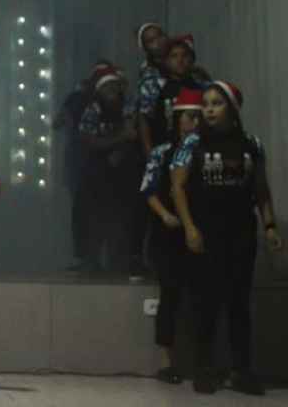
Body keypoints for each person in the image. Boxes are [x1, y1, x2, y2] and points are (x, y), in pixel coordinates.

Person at [170, 81, 284, 395]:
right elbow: (177, 187)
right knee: (205, 302)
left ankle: (242, 371)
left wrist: (270, 225)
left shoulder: (251, 144)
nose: (208, 109)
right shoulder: (192, 142)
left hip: (241, 233)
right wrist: (189, 227)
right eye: (205, 103)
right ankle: (204, 369)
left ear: (232, 109)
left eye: (216, 103)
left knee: (238, 303)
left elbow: (261, 188)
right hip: (205, 232)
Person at [139, 87, 203, 384]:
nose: (195, 122)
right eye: (190, 117)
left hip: (200, 232)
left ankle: (201, 361)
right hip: (168, 234)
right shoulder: (162, 151)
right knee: (170, 296)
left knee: (200, 296)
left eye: (198, 117)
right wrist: (165, 215)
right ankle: (168, 362)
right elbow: (149, 190)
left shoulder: (204, 151)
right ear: (178, 119)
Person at [77, 67, 140, 273]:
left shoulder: (128, 105)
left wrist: (117, 147)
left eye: (115, 86)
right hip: (97, 173)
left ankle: (119, 262)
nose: (112, 90)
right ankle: (92, 260)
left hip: (123, 172)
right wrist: (119, 139)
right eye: (107, 87)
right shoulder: (93, 110)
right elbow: (89, 141)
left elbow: (132, 132)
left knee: (122, 218)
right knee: (96, 217)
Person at [55, 60, 111, 273]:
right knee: (89, 211)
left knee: (85, 211)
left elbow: (57, 122)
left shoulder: (80, 98)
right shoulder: (90, 100)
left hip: (84, 162)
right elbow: (58, 122)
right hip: (84, 162)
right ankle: (91, 258)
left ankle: (88, 257)